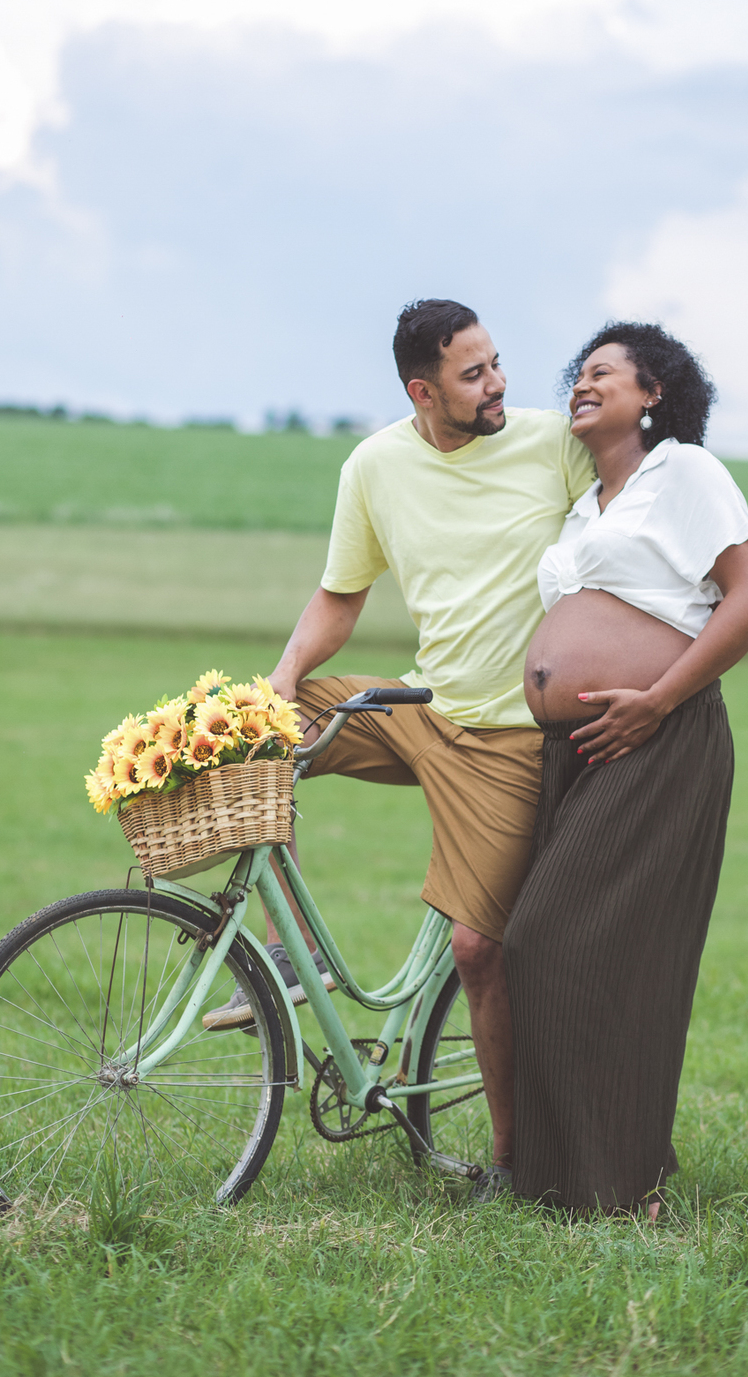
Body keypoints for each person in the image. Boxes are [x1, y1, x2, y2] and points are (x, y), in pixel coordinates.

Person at [203, 298, 594, 1200]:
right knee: (245, 733)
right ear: (423, 392)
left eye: (496, 363)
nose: (497, 384)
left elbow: (623, 543)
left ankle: (510, 1162)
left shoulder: (551, 447)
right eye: (473, 374)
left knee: (477, 949)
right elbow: (341, 596)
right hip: (421, 707)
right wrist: (283, 678)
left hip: (510, 738)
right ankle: (288, 951)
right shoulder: (375, 465)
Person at [503, 321, 748, 1215]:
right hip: (577, 748)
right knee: (571, 953)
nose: (582, 385)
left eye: (605, 373)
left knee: (555, 943)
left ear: (653, 393)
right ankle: (567, 1181)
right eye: (577, 375)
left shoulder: (685, 473)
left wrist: (657, 700)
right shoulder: (588, 505)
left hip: (657, 738)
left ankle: (622, 1183)